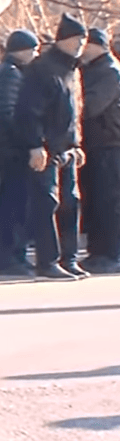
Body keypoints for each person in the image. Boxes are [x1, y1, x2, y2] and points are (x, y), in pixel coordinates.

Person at [15, 14, 88, 280]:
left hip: (67, 147)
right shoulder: (42, 69)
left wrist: (76, 143)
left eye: (83, 39)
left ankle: (69, 258)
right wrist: (35, 145)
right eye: (76, 39)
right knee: (47, 203)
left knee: (71, 203)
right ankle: (48, 261)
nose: (81, 44)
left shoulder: (72, 70)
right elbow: (27, 111)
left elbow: (74, 111)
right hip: (46, 148)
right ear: (63, 40)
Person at [0, 30, 39, 275]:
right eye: (33, 50)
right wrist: (24, 141)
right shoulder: (12, 74)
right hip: (12, 149)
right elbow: (9, 112)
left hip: (2, 147)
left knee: (10, 203)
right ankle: (10, 258)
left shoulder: (3, 71)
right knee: (15, 206)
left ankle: (10, 255)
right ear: (22, 50)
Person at [79, 28, 120, 273]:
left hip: (110, 144)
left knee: (109, 202)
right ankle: (98, 251)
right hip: (96, 144)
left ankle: (110, 253)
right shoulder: (93, 70)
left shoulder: (109, 72)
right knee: (96, 201)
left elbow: (92, 106)